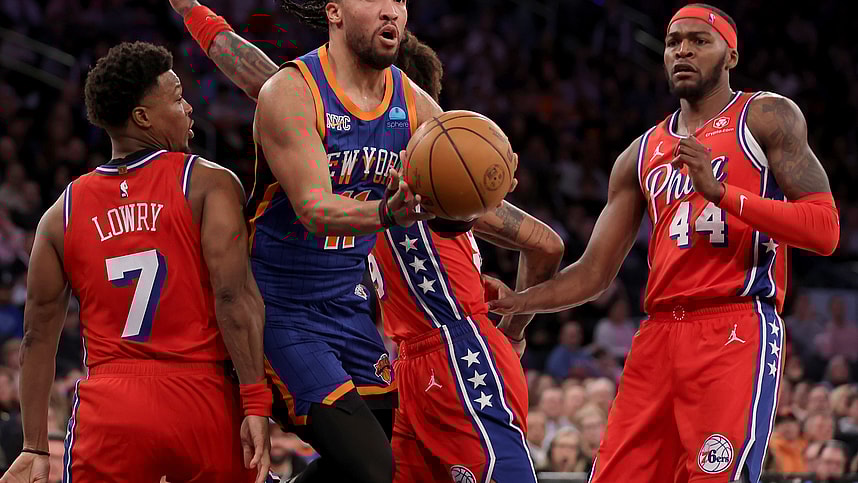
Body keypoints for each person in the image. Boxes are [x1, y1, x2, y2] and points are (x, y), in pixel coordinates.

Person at [170, 1, 564, 481]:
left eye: (399, 0)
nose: (392, 11)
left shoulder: (415, 104)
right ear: (334, 12)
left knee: (386, 464)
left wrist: (482, 188)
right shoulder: (293, 92)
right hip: (277, 310)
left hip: (349, 310)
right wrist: (387, 212)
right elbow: (315, 210)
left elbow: (457, 210)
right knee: (374, 469)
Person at [487, 4, 840, 483]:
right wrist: (517, 301)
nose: (683, 51)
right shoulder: (640, 152)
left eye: (699, 40)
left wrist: (725, 195)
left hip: (735, 325)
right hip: (657, 334)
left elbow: (824, 230)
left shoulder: (765, 116)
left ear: (730, 55)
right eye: (674, 42)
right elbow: (593, 273)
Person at [1, 42, 272, 483]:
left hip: (111, 408)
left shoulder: (60, 213)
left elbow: (36, 336)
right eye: (178, 97)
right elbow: (232, 295)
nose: (189, 109)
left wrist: (34, 445)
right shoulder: (209, 183)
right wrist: (256, 402)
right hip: (201, 397)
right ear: (143, 117)